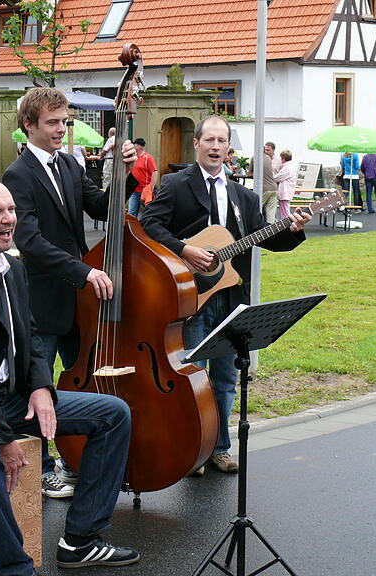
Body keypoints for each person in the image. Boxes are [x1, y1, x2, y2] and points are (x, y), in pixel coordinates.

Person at [0, 179, 140, 575]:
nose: (8, 219)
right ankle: (16, 567)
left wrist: (40, 388)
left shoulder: (13, 268)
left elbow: (31, 336)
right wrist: (3, 437)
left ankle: (81, 540)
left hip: (11, 397)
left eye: (11, 210)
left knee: (114, 413)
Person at [139, 116, 311, 475]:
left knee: (224, 377)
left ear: (229, 149)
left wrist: (292, 229)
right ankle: (192, 449)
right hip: (191, 295)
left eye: (223, 141)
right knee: (192, 374)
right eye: (210, 140)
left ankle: (218, 447)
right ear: (197, 145)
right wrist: (184, 249)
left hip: (232, 298)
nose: (216, 147)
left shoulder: (243, 196)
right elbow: (149, 225)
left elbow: (265, 236)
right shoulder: (175, 184)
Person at [2, 87, 136, 498]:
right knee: (37, 385)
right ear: (29, 126)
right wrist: (83, 270)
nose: (62, 129)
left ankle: (78, 459)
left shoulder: (70, 164)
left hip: (80, 299)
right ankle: (41, 469)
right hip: (44, 300)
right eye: (53, 123)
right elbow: (30, 240)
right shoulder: (17, 175)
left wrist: (124, 172)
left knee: (82, 384)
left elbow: (101, 206)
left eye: (65, 122)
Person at [248, 141, 279, 223]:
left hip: (264, 188)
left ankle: (255, 228)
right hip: (274, 188)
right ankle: (271, 232)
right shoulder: (268, 158)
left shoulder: (254, 158)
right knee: (271, 214)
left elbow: (249, 173)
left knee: (256, 209)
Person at [129, 137, 158, 216]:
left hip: (145, 191)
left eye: (134, 144)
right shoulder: (133, 157)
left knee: (147, 214)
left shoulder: (148, 158)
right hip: (134, 190)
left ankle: (145, 228)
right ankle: (132, 228)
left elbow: (154, 173)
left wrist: (151, 188)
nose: (132, 146)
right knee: (131, 213)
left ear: (139, 146)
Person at [273, 150, 297, 219]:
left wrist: (270, 177)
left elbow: (277, 177)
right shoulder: (290, 167)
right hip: (287, 192)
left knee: (285, 212)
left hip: (285, 192)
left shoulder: (287, 168)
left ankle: (286, 226)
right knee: (285, 210)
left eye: (281, 158)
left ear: (283, 159)